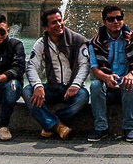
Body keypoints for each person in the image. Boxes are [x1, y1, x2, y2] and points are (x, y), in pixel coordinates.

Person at [25, 9, 90, 139]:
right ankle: (58, 126)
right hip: (52, 88)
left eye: (60, 20)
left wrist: (76, 85)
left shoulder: (77, 40)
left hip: (72, 87)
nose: (59, 24)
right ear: (45, 27)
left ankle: (51, 123)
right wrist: (38, 86)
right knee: (27, 91)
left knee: (83, 96)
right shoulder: (41, 44)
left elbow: (85, 65)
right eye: (54, 22)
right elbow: (31, 66)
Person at [87, 4, 133, 143]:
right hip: (106, 82)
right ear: (104, 22)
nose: (116, 22)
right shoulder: (95, 42)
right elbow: (95, 70)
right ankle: (101, 128)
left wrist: (132, 74)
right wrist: (106, 77)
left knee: (131, 84)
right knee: (95, 85)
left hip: (125, 81)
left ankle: (129, 128)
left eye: (119, 18)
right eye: (111, 19)